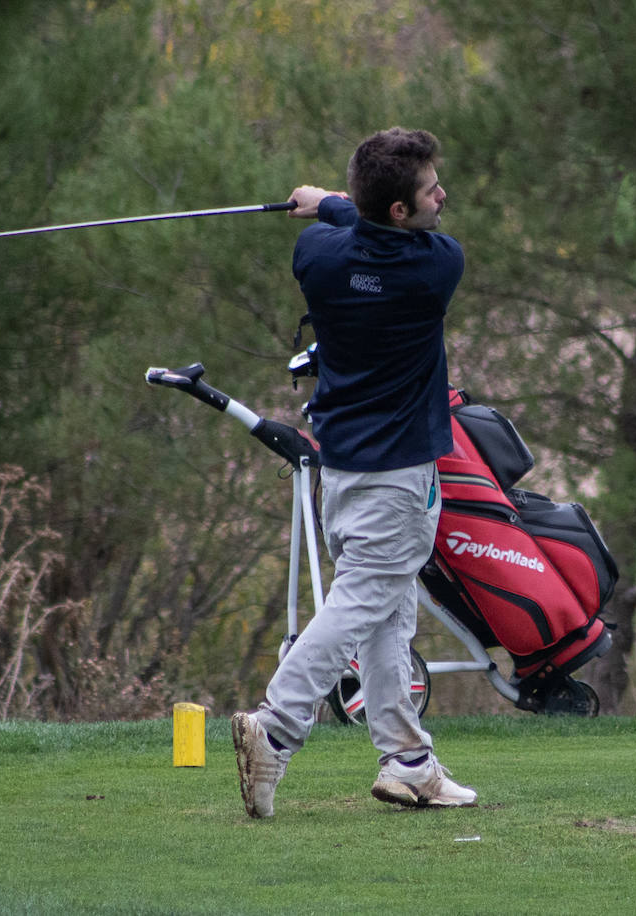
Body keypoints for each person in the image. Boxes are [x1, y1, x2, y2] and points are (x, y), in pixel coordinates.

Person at [231, 127, 477, 818]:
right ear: (402, 212)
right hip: (399, 477)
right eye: (432, 190)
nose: (443, 196)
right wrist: (333, 200)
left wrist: (330, 204)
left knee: (388, 614)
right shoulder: (437, 267)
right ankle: (275, 729)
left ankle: (408, 761)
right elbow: (361, 223)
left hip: (339, 469)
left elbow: (349, 226)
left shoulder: (316, 257)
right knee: (363, 606)